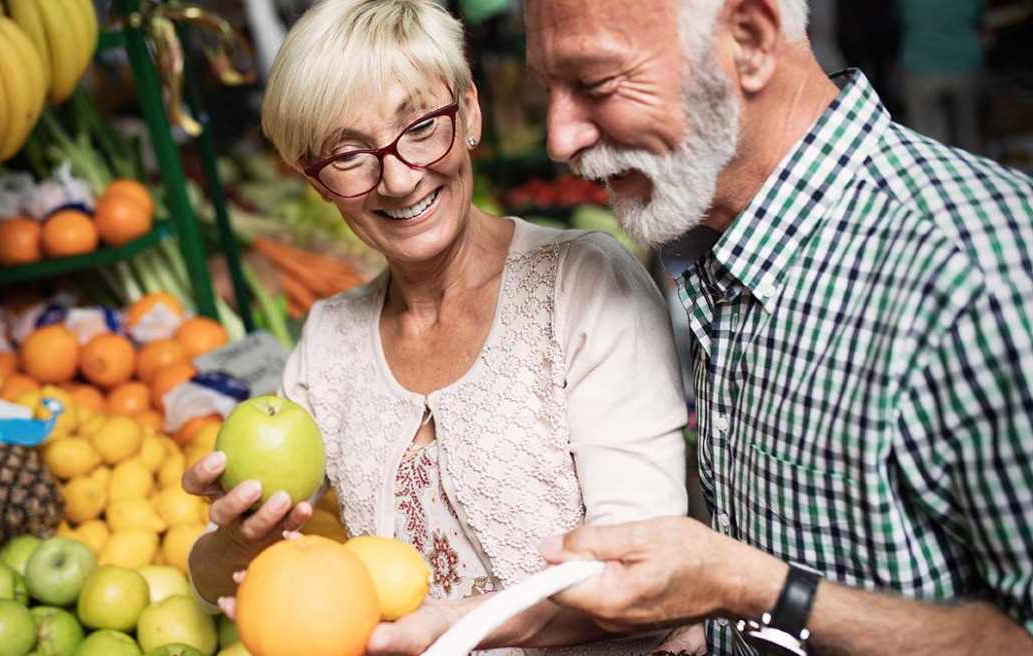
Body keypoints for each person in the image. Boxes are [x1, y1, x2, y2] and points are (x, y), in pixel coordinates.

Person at [514, 0, 1033, 654]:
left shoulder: (979, 276)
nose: (560, 137)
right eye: (549, 88)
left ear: (751, 41)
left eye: (595, 84)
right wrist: (717, 626)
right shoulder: (721, 233)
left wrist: (746, 587)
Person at [182, 0, 691, 653]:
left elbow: (642, 576)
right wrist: (234, 538)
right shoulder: (329, 343)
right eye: (347, 154)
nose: (397, 177)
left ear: (470, 112)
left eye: (422, 126)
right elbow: (236, 579)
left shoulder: (583, 287)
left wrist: (449, 627)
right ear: (315, 182)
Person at [897, 0, 986, 154]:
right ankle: (975, 174)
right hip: (964, 64)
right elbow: (979, 14)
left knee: (930, 143)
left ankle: (937, 176)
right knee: (970, 135)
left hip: (920, 67)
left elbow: (899, 15)